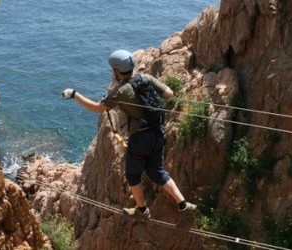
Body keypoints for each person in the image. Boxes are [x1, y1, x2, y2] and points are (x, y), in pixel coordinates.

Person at [62, 49, 197, 220]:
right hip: (157, 134)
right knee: (157, 172)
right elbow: (169, 93)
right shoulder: (145, 78)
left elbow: (97, 108)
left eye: (113, 69)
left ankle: (142, 211)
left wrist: (75, 95)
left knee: (133, 175)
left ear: (117, 70)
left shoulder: (121, 91)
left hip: (140, 139)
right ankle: (183, 205)